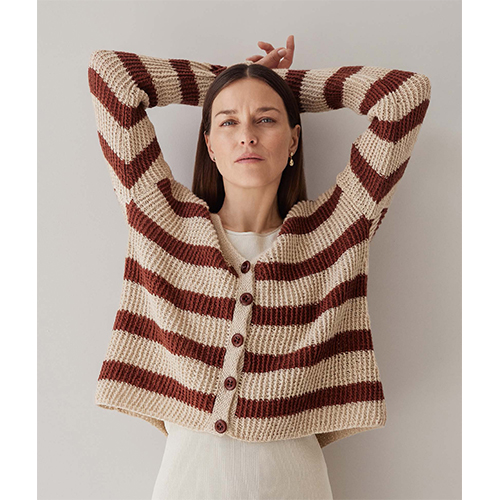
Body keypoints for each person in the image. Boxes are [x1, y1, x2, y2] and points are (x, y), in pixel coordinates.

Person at [88, 34, 431, 500]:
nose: (247, 135)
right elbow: (112, 75)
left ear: (294, 139)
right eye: (228, 121)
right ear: (209, 144)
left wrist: (280, 85)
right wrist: (236, 80)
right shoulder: (160, 220)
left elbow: (403, 96)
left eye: (266, 119)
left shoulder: (338, 230)